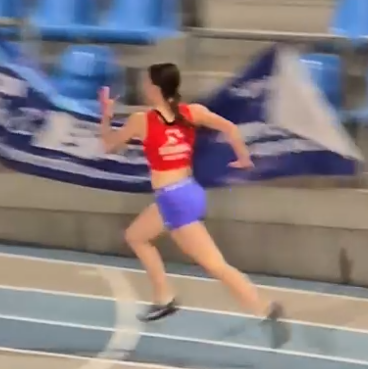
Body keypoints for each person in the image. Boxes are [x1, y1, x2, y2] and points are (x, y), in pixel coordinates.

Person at [98, 62, 290, 349]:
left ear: (155, 88)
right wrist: (243, 158)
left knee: (215, 265)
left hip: (173, 199)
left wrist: (106, 115)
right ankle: (163, 297)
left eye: (147, 82)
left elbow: (108, 145)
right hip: (187, 191)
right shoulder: (192, 112)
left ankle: (265, 309)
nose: (144, 86)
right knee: (136, 236)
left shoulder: (142, 120)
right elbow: (230, 127)